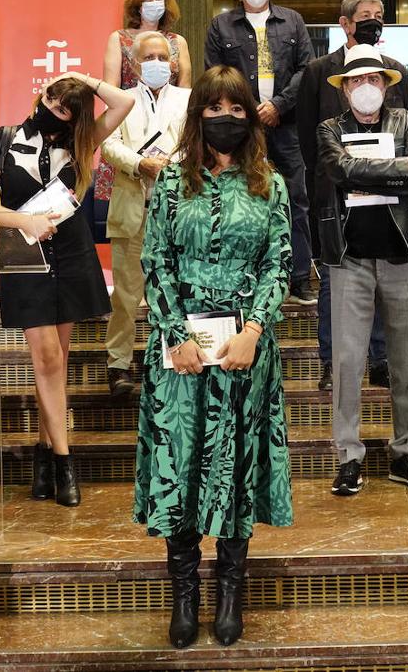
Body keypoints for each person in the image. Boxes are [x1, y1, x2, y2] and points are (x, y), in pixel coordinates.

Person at [133, 66, 293, 649]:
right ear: (197, 113)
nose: (226, 118)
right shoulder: (174, 183)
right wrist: (174, 335)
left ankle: (230, 591)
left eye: (237, 108)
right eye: (214, 107)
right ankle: (184, 595)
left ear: (250, 116)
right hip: (180, 353)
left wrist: (253, 330)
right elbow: (156, 262)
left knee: (235, 467)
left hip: (245, 350)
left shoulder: (268, 183)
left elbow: (280, 263)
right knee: (182, 464)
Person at [0, 72, 134, 507]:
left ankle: (42, 457)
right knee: (45, 357)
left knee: (56, 362)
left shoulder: (82, 141)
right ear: (41, 94)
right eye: (54, 102)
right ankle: (64, 460)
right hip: (23, 255)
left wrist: (81, 79)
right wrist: (24, 221)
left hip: (71, 256)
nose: (56, 112)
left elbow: (123, 104)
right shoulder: (3, 140)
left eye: (67, 110)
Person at [317, 44, 408, 497]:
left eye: (372, 80)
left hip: (402, 255)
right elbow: (341, 170)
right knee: (348, 362)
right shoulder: (328, 128)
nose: (364, 88)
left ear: (386, 86)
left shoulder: (405, 122)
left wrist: (396, 171)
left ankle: (405, 451)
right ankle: (349, 456)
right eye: (355, 81)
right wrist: (403, 165)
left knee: (406, 360)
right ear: (344, 88)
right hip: (348, 257)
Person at [297, 0, 408, 391]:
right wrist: (330, 178)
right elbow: (308, 138)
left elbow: (406, 132)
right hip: (334, 193)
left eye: (379, 16)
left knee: (383, 273)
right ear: (345, 23)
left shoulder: (396, 68)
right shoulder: (317, 71)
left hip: (387, 196)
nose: (373, 22)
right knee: (333, 280)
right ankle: (332, 361)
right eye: (365, 16)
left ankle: (380, 358)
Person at [205, 0, 316, 304]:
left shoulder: (293, 22)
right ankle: (242, 276)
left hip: (286, 126)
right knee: (240, 199)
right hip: (238, 129)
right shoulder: (220, 26)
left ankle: (299, 276)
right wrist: (247, 112)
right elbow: (215, 76)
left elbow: (307, 70)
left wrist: (278, 105)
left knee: (296, 200)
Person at [100, 31, 191, 399]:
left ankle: (174, 357)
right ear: (135, 64)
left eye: (161, 56)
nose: (155, 63)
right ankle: (118, 365)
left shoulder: (190, 99)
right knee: (125, 295)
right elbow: (107, 143)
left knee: (177, 292)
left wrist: (171, 165)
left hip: (179, 210)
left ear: (172, 62)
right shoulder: (119, 100)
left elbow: (196, 140)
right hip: (130, 205)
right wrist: (140, 163)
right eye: (147, 57)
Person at [98, 0, 193, 202]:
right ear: (137, 3)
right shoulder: (119, 39)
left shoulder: (177, 41)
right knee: (129, 212)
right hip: (129, 130)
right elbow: (110, 91)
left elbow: (185, 92)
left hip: (169, 137)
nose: (153, 3)